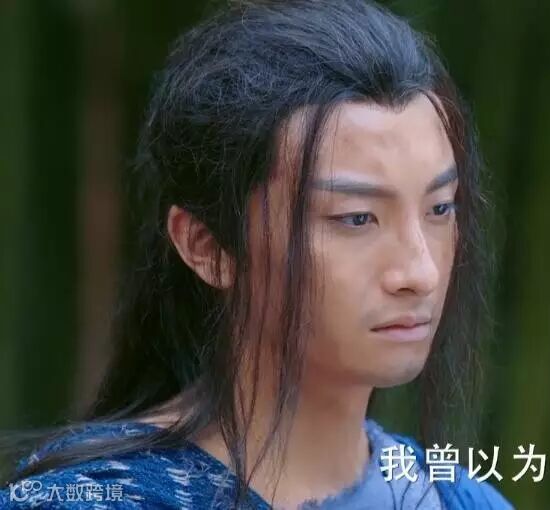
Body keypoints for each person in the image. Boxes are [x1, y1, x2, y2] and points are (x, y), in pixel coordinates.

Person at [0, 0, 509, 508]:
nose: (420, 272)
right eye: (356, 218)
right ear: (206, 247)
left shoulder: (460, 499)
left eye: (440, 208)